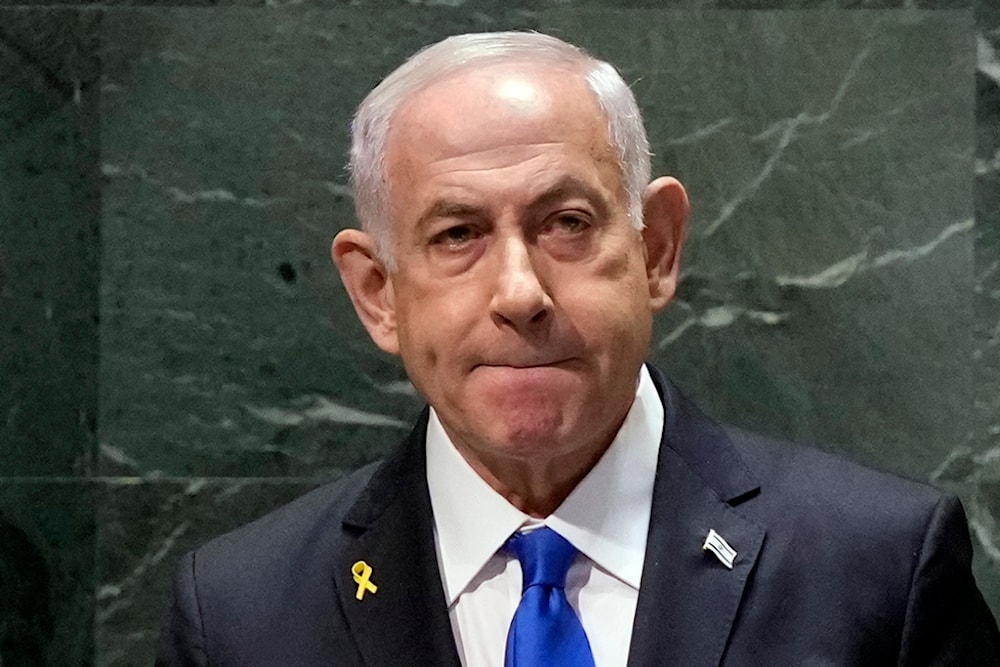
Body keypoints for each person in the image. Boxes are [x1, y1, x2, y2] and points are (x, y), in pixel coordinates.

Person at [156, 31, 1000, 666]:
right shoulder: (240, 614)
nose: (520, 291)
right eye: (457, 234)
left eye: (567, 223)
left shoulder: (879, 568)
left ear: (657, 248)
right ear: (379, 292)